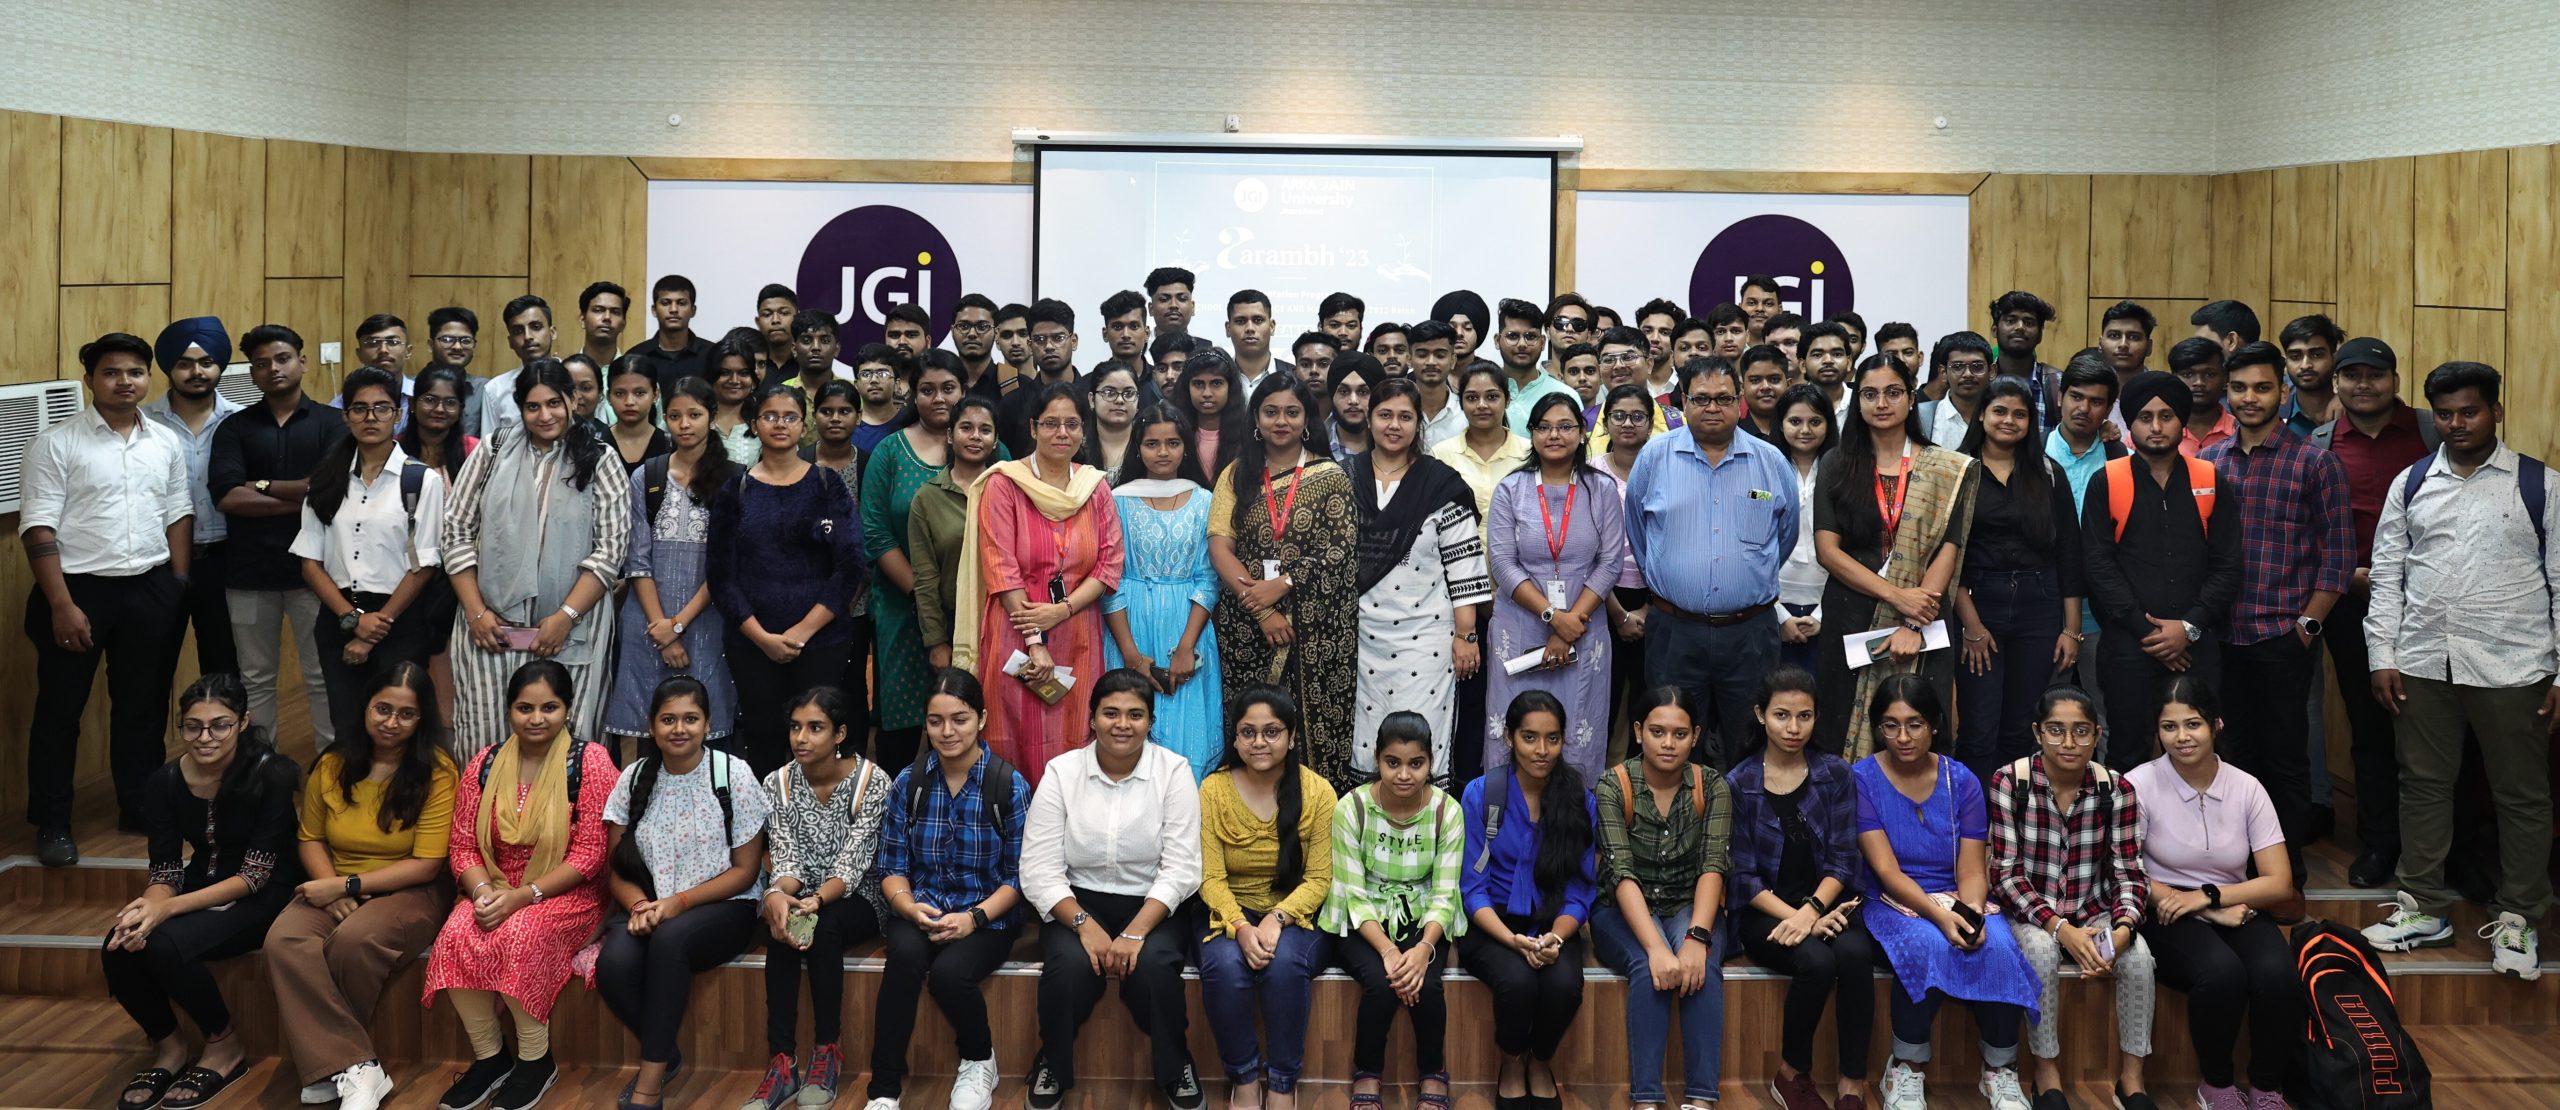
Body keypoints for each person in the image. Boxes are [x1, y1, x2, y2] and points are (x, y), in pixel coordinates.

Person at [2361, 361, 2557, 977]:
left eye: (2469, 411)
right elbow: (2387, 574)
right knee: (2422, 786)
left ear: (2495, 411)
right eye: (2444, 414)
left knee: (2520, 795)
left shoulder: (2540, 485)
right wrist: (2382, 654)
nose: (2456, 423)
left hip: (2515, 663)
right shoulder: (2412, 482)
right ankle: (2423, 907)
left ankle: (2520, 917)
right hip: (2423, 660)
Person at [20, 333, 196, 865]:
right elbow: (38, 527)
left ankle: (139, 807)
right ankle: (52, 822)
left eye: (135, 372)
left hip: (149, 587)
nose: (125, 381)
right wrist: (61, 604)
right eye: (112, 372)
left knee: (142, 707)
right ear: (90, 381)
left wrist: (176, 583)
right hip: (76, 590)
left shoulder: (164, 440)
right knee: (60, 711)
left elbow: (178, 511)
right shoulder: (57, 443)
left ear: (148, 378)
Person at [424, 660, 619, 1110]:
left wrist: (525, 896)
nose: (536, 719)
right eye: (525, 708)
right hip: (494, 888)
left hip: (570, 893)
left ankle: (535, 1061)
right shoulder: (485, 763)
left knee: (520, 933)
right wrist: (482, 893)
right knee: (456, 933)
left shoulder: (590, 762)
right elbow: (462, 845)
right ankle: (490, 1058)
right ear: (509, 709)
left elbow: (591, 854)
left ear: (567, 709)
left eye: (549, 708)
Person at [103, 674, 301, 1110]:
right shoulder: (166, 780)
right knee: (119, 943)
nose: (205, 737)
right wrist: (148, 909)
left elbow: (254, 876)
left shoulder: (273, 774)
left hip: (265, 892)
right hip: (202, 882)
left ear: (243, 722)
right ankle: (169, 1046)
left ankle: (224, 1044)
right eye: (193, 727)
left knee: (164, 946)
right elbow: (166, 869)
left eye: (219, 725)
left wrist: (168, 911)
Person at [267, 663, 456, 1110]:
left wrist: (346, 886)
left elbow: (427, 864)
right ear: (365, 707)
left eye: (406, 714)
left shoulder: (438, 772)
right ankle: (356, 1067)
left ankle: (331, 1065)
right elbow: (310, 837)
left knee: (355, 940)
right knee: (283, 940)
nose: (391, 722)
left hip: (410, 890)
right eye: (382, 709)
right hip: (335, 880)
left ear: (422, 718)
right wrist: (331, 885)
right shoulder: (333, 763)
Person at [1019, 670, 1209, 1110]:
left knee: (1155, 968)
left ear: (1150, 722)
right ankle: (1052, 1062)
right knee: (1067, 969)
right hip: (1076, 902)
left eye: (1135, 715)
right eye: (1111, 713)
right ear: (1092, 719)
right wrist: (1083, 925)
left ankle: (1176, 1063)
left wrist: (1135, 932)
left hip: (1152, 904)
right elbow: (1038, 867)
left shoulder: (1173, 771)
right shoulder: (1062, 772)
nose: (1122, 724)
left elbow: (1182, 867)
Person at [1853, 673, 2040, 1110]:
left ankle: (2000, 1070)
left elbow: (1972, 867)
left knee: (1997, 943)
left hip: (1957, 891)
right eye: (1891, 725)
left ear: (1935, 725)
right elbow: (1886, 871)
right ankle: (1906, 1068)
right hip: (1891, 900)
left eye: (1915, 724)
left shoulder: (1962, 780)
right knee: (1926, 943)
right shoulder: (1861, 778)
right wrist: (1940, 916)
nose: (1903, 737)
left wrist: (1970, 911)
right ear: (1878, 728)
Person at [2200, 341, 2352, 871]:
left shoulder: (2316, 463)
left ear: (2282, 392)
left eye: (2262, 387)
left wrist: (2306, 626)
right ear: (2227, 392)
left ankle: (2286, 877)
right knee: (2230, 758)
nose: (2250, 397)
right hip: (2220, 637)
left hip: (2283, 636)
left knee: (2286, 760)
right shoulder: (2208, 463)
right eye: (2240, 388)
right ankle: (2240, 869)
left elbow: (2338, 557)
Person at [442, 361, 634, 757]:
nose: (545, 415)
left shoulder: (600, 458)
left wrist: (565, 617)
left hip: (570, 633)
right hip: (490, 631)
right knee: (486, 747)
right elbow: (455, 532)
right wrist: (477, 613)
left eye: (554, 403)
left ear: (573, 400)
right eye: (533, 406)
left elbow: (610, 550)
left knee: (568, 753)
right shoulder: (492, 451)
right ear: (520, 407)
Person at [2124, 677, 2298, 1110]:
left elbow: (2279, 882)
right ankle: (2216, 1085)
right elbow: (2123, 870)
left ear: (2216, 725)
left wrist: (2209, 898)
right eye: (2169, 727)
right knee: (2221, 973)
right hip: (2164, 907)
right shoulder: (2139, 784)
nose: (2181, 737)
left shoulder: (2246, 786)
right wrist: (2199, 907)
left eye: (2193, 724)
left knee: (2278, 973)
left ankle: (2267, 1088)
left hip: (2229, 900)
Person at [599, 676, 772, 1109]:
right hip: (650, 906)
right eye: (668, 719)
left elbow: (746, 871)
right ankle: (668, 1053)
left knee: (670, 940)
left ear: (708, 724)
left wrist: (678, 903)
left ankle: (649, 1084)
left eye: (690, 719)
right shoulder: (633, 777)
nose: (679, 729)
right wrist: (640, 905)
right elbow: (616, 870)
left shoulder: (733, 774)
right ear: (651, 725)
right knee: (613, 967)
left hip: (725, 906)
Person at [2307, 338, 2439, 886]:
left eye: (2375, 375)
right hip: (2351, 602)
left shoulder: (2432, 431)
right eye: (2352, 375)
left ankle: (2450, 848)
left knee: (2440, 726)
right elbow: (2309, 526)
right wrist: (2345, 575)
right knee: (2369, 725)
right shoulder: (2320, 443)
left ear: (2395, 381)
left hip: (2432, 603)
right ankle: (2381, 842)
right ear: (2336, 383)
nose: (2364, 384)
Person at [1987, 687, 2159, 1110]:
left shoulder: (2116, 788)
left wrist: (2123, 929)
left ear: (2097, 734)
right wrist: (2060, 929)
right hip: (2030, 912)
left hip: (2093, 910)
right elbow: (2005, 875)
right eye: (2056, 730)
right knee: (2042, 952)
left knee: (2138, 957)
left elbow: (2129, 872)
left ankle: (2132, 1080)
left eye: (2081, 731)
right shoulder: (2010, 781)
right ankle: (2047, 1072)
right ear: (2037, 732)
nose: (2068, 743)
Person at [868, 669, 1031, 1110]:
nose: (947, 731)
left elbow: (1019, 877)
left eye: (959, 719)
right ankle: (883, 1090)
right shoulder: (909, 782)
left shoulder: (1007, 784)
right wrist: (908, 908)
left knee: (949, 975)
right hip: (920, 908)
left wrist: (973, 918)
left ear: (981, 719)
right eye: (936, 721)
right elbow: (892, 865)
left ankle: (979, 1060)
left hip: (988, 916)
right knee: (903, 959)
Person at [1626, 357, 1799, 767]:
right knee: (1672, 746)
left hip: (1750, 632)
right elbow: (1638, 531)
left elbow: (1785, 535)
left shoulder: (1770, 461)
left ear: (1740, 401)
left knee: (1752, 742)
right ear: (1683, 402)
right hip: (1675, 631)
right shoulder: (1654, 457)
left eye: (1723, 398)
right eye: (1700, 398)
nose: (1712, 408)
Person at [954, 382, 1125, 790]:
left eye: (1071, 424)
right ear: (1033, 428)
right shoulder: (1004, 484)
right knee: (1013, 737)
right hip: (1016, 632)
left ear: (1083, 430)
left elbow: (1109, 564)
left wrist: (1061, 610)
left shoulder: (1095, 487)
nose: (1061, 433)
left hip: (1078, 631)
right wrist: (1035, 640)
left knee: (1074, 735)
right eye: (1051, 423)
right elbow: (1001, 567)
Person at [2079, 372, 2242, 773]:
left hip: (2196, 646)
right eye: (2145, 417)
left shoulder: (2209, 479)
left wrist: (2188, 628)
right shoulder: (2107, 481)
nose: (2156, 427)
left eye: (2166, 416)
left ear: (2181, 421)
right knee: (2127, 751)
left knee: (2199, 751)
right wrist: (2149, 632)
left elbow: (2227, 565)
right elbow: (2098, 566)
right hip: (2128, 645)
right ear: (2131, 425)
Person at [1813, 356, 1975, 759]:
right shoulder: (1837, 462)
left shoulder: (1944, 468)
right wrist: (1898, 597)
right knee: (1841, 731)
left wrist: (1913, 619)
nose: (1882, 403)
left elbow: (1949, 548)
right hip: (1852, 615)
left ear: (1911, 397)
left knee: (1921, 728)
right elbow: (1828, 552)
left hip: (1925, 618)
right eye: (1870, 394)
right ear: (1858, 401)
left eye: (1893, 392)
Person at [1729, 668, 1872, 1110]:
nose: (1793, 728)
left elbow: (1844, 859)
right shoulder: (1739, 783)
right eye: (1782, 715)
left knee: (1855, 954)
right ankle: (1791, 1074)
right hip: (1765, 911)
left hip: (1828, 902)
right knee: (1815, 961)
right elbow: (1743, 877)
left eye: (1804, 716)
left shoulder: (1835, 773)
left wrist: (1811, 911)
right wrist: (1800, 919)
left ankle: (1852, 1082)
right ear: (1761, 715)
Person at [1208, 375, 1361, 784]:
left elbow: (1340, 550)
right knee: (1252, 726)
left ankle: (1311, 809)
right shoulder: (1236, 474)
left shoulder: (1330, 475)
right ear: (1256, 418)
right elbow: (1220, 548)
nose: (1281, 421)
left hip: (1315, 631)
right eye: (1271, 412)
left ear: (1306, 419)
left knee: (1306, 736)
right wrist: (1261, 610)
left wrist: (1283, 584)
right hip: (1246, 626)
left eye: (1292, 412)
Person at [743, 685, 891, 1109]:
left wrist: (814, 902)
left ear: (840, 733)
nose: (801, 738)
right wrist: (778, 894)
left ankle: (827, 1052)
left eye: (815, 728)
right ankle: (782, 1063)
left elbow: (853, 862)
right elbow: (786, 857)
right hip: (801, 894)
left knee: (819, 927)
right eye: (795, 727)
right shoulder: (778, 782)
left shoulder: (872, 781)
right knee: (782, 927)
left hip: (860, 895)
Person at [706, 384, 864, 776]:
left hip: (821, 640)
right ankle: (766, 817)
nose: (780, 424)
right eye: (770, 416)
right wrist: (762, 637)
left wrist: (802, 632)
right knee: (764, 738)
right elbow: (721, 575)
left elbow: (850, 566)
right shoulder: (735, 489)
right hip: (751, 642)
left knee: (817, 739)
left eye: (790, 417)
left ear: (803, 426)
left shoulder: (827, 484)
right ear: (754, 424)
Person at [1590, 686, 1731, 1110]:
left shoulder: (1712, 785)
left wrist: (1697, 937)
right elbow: (1620, 872)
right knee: (1645, 966)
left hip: (1689, 903)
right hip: (1623, 907)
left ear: (1695, 736)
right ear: (1638, 732)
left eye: (1680, 734)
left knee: (1701, 966)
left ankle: (1701, 1099)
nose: (1668, 743)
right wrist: (1656, 948)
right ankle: (1646, 1099)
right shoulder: (1613, 784)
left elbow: (1713, 866)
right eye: (1657, 732)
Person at [1197, 686, 1338, 1110]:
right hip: (1229, 911)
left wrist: (1277, 918)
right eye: (1248, 732)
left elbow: (1320, 878)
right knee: (1224, 966)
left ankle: (1281, 1081)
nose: (1259, 742)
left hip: (1298, 913)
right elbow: (1209, 877)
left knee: (1284, 965)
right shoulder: (1213, 790)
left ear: (1291, 737)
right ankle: (1243, 1077)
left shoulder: (1318, 792)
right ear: (1236, 738)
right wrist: (1241, 926)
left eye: (1272, 731)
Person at [213, 323, 348, 750]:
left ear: (302, 362)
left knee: (322, 674)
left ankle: (330, 767)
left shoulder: (333, 423)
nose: (273, 369)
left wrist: (260, 484)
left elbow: (330, 491)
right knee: (255, 678)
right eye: (261, 363)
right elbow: (227, 497)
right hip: (248, 572)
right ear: (252, 372)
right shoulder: (234, 428)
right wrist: (304, 496)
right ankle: (259, 767)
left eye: (283, 359)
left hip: (317, 573)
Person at [1321, 711, 1465, 1110]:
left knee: (1427, 983)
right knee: (1382, 982)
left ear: (1431, 763)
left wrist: (1423, 949)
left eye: (1416, 763)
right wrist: (1388, 950)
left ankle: (1433, 1072)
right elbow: (1352, 893)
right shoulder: (1352, 808)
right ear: (1377, 760)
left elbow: (1445, 892)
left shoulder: (1447, 810)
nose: (1404, 775)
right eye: (1393, 762)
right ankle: (1367, 1071)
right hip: (1363, 917)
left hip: (1423, 915)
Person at [1460, 690, 1597, 1110]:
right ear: (1509, 737)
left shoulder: (1580, 801)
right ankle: (1511, 1062)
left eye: (1552, 739)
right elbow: (1472, 888)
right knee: (1517, 983)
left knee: (1564, 988)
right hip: (1492, 924)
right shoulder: (1482, 793)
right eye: (1530, 737)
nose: (1542, 750)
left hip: (1552, 923)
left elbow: (1581, 889)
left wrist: (1556, 937)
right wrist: (1512, 940)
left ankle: (1541, 1061)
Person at [296, 367, 449, 743]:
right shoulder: (325, 480)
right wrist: (351, 619)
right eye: (359, 408)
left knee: (397, 727)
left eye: (382, 408)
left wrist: (374, 628)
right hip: (338, 615)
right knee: (347, 724)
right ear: (345, 416)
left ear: (398, 414)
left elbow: (424, 564)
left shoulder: (421, 480)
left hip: (400, 619)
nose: (370, 417)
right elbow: (310, 563)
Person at [1352, 378, 1492, 786]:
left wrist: (1466, 635)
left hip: (1427, 639)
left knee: (1422, 732)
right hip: (1360, 638)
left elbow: (1464, 565)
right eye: (1385, 415)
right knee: (1367, 735)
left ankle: (1428, 819)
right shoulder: (1346, 477)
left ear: (1418, 424)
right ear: (1369, 419)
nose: (1394, 425)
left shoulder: (1440, 484)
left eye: (1405, 417)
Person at [1949, 376, 2085, 784]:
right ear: (1982, 415)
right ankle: (1974, 818)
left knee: (2022, 727)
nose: (2009, 421)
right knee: (1978, 728)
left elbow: (2069, 553)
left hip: (2039, 604)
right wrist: (1972, 626)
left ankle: (2012, 814)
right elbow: (1946, 556)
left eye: (2019, 414)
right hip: (1978, 604)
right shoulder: (1956, 470)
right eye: (2000, 411)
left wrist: (2071, 630)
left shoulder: (2048, 472)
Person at [1486, 393, 1627, 781]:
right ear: (1531, 433)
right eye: (1544, 427)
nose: (1554, 435)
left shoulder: (1601, 489)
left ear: (1582, 433)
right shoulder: (1511, 488)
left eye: (1565, 426)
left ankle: (1575, 815)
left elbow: (1610, 562)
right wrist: (1552, 616)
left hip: (1584, 628)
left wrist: (1568, 625)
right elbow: (1503, 563)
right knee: (1515, 726)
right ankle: (1508, 814)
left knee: (1578, 730)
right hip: (1520, 626)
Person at [603, 376, 739, 761]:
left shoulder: (734, 479)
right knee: (647, 735)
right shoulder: (647, 476)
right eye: (675, 416)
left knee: (706, 731)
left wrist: (677, 625)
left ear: (711, 417)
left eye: (694, 415)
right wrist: (662, 630)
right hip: (647, 623)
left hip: (707, 623)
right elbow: (637, 561)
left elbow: (724, 565)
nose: (684, 424)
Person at [864, 353, 979, 768]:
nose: (939, 398)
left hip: (977, 610)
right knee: (901, 725)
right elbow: (875, 531)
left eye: (948, 388)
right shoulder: (889, 451)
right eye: (927, 390)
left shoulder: (988, 445)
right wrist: (925, 595)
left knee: (964, 715)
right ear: (913, 395)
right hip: (902, 608)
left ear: (964, 390)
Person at [1106, 402, 1226, 777]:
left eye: (1172, 443)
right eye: (1152, 444)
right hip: (1130, 628)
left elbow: (1208, 578)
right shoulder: (1117, 500)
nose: (1163, 452)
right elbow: (1111, 579)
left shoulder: (1205, 500)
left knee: (1189, 741)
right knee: (1129, 731)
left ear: (1186, 447)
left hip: (1188, 628)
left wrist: (1187, 646)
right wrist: (1131, 655)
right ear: (1137, 448)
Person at [144, 316, 242, 684]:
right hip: (158, 563)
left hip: (225, 560)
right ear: (168, 368)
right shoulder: (143, 423)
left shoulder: (242, 421)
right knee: (150, 672)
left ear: (220, 365)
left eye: (206, 362)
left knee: (225, 669)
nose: (197, 372)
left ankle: (227, 725)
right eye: (184, 364)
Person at [2046, 355, 2126, 706]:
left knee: (2107, 714)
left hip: (2103, 614)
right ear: (2060, 396)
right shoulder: (2032, 451)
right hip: (2044, 610)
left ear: (2108, 409)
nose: (2084, 408)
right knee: (2041, 712)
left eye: (2096, 401)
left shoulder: (2120, 456)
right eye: (2076, 396)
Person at [1596, 384, 1659, 741]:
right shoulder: (1589, 473)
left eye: (1637, 416)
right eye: (1618, 415)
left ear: (1650, 423)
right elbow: (1586, 549)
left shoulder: (1665, 469)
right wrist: (1618, 614)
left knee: (1647, 700)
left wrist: (1648, 608)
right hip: (1600, 597)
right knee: (1601, 699)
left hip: (1656, 595)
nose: (1628, 423)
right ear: (1606, 422)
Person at [1772, 385, 1836, 674]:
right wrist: (1780, 615)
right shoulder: (1764, 469)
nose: (1805, 430)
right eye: (1795, 421)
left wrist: (1823, 614)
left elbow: (1855, 549)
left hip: (1831, 602)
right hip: (1772, 603)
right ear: (1781, 424)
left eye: (1815, 421)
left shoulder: (1844, 472)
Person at [477, 295, 558, 442]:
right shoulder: (495, 389)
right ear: (510, 342)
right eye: (518, 331)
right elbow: (489, 448)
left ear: (552, 333)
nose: (527, 336)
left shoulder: (575, 377)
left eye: (536, 327)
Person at [1986, 292, 2062, 436]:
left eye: (2029, 323)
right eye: (2011, 321)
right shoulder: (1981, 381)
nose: (2020, 327)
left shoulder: (2058, 383)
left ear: (2040, 335)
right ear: (1995, 330)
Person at [1494, 297, 1574, 434]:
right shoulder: (1482, 394)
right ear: (1497, 341)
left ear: (1542, 342)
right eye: (1512, 336)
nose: (1522, 344)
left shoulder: (1565, 395)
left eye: (1530, 337)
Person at [1178, 344, 1252, 479]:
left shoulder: (1249, 433)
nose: (1207, 393)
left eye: (1216, 383)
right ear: (1187, 387)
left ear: (1230, 387)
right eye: (1198, 384)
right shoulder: (1175, 431)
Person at [633, 274, 715, 388]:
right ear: (654, 310)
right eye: (665, 303)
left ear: (693, 310)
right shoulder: (637, 356)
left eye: (681, 303)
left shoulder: (712, 355)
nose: (673, 310)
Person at [1916, 331, 1996, 446]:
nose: (1968, 374)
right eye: (1957, 367)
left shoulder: (2003, 417)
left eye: (1977, 366)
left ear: (1992, 371)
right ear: (1943, 373)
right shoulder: (1921, 417)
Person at [1406, 320, 1470, 450]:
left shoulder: (1467, 413)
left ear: (1452, 361)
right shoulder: (1397, 412)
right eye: (1422, 355)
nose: (1431, 362)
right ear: (1409, 360)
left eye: (1440, 355)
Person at [2166, 338, 2233, 456]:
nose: (2199, 382)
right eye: (2188, 374)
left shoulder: (2241, 431)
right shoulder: (2156, 432)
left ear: (2225, 379)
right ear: (2173, 380)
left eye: (2210, 374)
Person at [605, 355, 672, 471]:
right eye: (620, 393)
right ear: (608, 397)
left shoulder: (670, 445)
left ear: (655, 395)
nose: (629, 402)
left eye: (639, 393)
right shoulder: (595, 444)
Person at [707, 339, 765, 464]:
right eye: (724, 373)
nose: (734, 380)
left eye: (743, 373)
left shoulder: (763, 420)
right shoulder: (692, 416)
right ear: (711, 375)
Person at [1082, 364, 1143, 481]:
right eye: (1109, 392)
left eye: (1129, 393)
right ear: (1092, 400)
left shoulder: (1149, 447)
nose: (1120, 400)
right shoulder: (1077, 448)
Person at [1325, 353, 1377, 461]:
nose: (1353, 401)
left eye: (1363, 392)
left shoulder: (1395, 447)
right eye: (1344, 391)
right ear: (1332, 396)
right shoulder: (1312, 446)